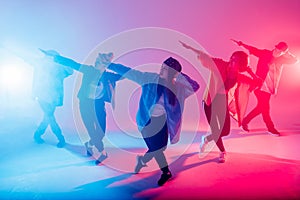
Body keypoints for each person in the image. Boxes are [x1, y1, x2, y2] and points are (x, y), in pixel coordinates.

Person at [107, 57, 199, 186]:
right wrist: (109, 65)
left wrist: (179, 74)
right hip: (146, 121)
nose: (161, 69)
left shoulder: (178, 88)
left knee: (160, 147)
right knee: (157, 149)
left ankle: (142, 160)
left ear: (173, 73)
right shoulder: (149, 79)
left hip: (162, 122)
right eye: (162, 66)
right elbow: (129, 72)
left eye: (166, 69)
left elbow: (195, 86)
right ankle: (166, 172)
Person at [41, 50, 122, 164]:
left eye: (99, 63)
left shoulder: (108, 76)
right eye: (96, 62)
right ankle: (102, 153)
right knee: (91, 129)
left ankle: (89, 144)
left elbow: (125, 75)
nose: (96, 64)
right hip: (85, 104)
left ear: (105, 66)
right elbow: (73, 64)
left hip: (98, 105)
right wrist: (56, 58)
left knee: (101, 131)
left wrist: (111, 65)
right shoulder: (89, 70)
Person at [180, 40, 254, 163]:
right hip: (209, 102)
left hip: (222, 103)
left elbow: (255, 81)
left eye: (236, 61)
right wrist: (190, 48)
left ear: (241, 65)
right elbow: (205, 56)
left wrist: (251, 73)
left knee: (225, 131)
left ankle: (207, 139)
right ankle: (222, 151)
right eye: (232, 58)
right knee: (216, 130)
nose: (232, 61)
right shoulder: (219, 64)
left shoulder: (237, 75)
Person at [232, 40, 299, 136]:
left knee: (260, 108)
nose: (278, 52)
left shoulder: (281, 59)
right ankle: (271, 128)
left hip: (269, 89)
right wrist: (242, 44)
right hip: (259, 86)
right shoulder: (265, 53)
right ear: (275, 47)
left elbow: (295, 60)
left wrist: (287, 52)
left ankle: (245, 121)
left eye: (281, 52)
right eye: (277, 49)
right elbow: (253, 49)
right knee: (265, 109)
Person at [32, 50, 74, 148]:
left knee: (47, 117)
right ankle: (60, 138)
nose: (47, 58)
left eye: (50, 56)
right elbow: (35, 80)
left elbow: (70, 71)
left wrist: (60, 61)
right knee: (50, 116)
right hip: (42, 96)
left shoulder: (59, 69)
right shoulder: (40, 66)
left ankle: (37, 135)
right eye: (47, 56)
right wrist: (33, 94)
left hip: (53, 98)